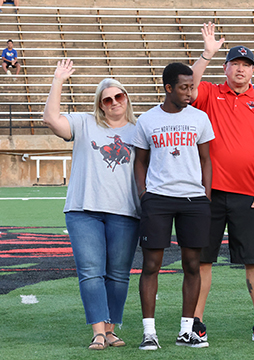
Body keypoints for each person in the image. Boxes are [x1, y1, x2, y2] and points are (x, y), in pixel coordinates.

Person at [189, 22, 254, 343]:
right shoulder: (212, 93)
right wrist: (207, 54)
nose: (240, 70)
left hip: (249, 195)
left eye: (246, 65)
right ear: (225, 67)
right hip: (208, 194)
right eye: (234, 64)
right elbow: (189, 86)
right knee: (202, 260)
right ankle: (195, 321)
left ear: (252, 71)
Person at [43, 59, 140, 350]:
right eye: (106, 99)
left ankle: (111, 331)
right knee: (91, 272)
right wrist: (58, 80)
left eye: (118, 96)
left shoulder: (140, 129)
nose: (113, 102)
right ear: (100, 104)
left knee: (119, 274)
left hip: (125, 211)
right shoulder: (84, 122)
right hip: (83, 211)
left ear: (126, 98)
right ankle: (98, 331)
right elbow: (51, 119)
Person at [133, 62, 214, 350]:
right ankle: (149, 333)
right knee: (151, 265)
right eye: (184, 87)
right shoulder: (147, 120)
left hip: (194, 201)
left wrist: (204, 194)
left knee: (193, 265)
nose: (190, 92)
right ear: (168, 88)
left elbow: (206, 160)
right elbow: (139, 162)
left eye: (192, 87)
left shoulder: (200, 118)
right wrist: (144, 194)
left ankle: (186, 330)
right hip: (158, 199)